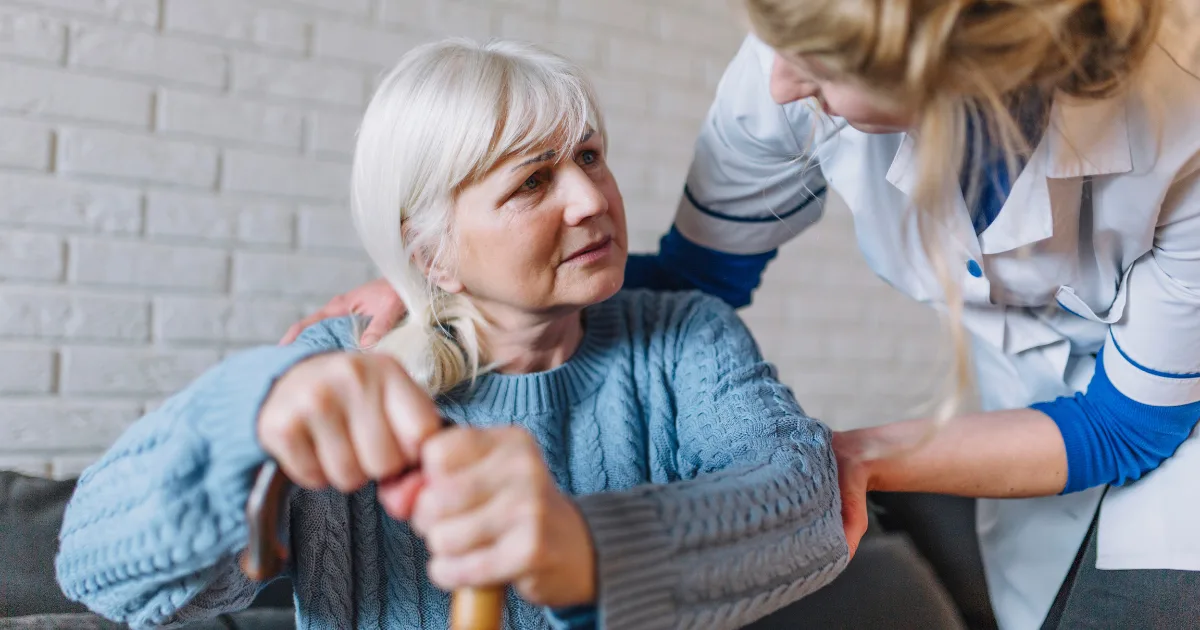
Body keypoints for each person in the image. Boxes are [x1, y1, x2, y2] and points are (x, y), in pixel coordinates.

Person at [287, 2, 1200, 628]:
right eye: (530, 181)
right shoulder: (787, 56)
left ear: (946, 70)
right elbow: (692, 277)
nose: (779, 84)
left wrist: (849, 458)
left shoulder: (1182, 114)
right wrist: (444, 297)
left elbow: (1127, 424)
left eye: (586, 159)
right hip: (1035, 403)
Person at [54, 39, 852, 630]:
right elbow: (98, 572)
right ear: (429, 252)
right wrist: (245, 420)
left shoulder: (683, 340)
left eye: (589, 156)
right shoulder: (342, 368)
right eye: (533, 181)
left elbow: (808, 502)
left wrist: (585, 548)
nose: (590, 198)